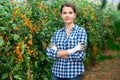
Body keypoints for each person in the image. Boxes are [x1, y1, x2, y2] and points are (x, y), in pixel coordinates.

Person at [46, 2, 87, 80]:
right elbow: (49, 53)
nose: (67, 15)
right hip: (56, 74)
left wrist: (57, 52)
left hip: (73, 75)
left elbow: (80, 56)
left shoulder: (81, 31)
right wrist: (73, 50)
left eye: (70, 13)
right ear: (61, 15)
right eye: (64, 13)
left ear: (74, 15)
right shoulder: (56, 33)